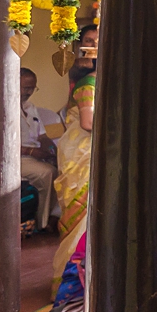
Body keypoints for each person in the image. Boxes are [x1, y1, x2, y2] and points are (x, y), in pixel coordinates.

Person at [51, 24, 99, 276]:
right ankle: (71, 276)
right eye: (88, 41)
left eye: (98, 40)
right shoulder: (88, 82)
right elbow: (89, 123)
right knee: (81, 214)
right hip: (83, 154)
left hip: (93, 151)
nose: (93, 45)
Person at [19, 67, 59, 233]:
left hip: (34, 157)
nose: (29, 92)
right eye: (26, 88)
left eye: (32, 88)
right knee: (47, 173)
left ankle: (52, 218)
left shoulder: (30, 107)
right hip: (16, 159)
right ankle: (42, 224)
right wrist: (31, 152)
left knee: (61, 170)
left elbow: (42, 136)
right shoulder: (2, 108)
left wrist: (52, 150)